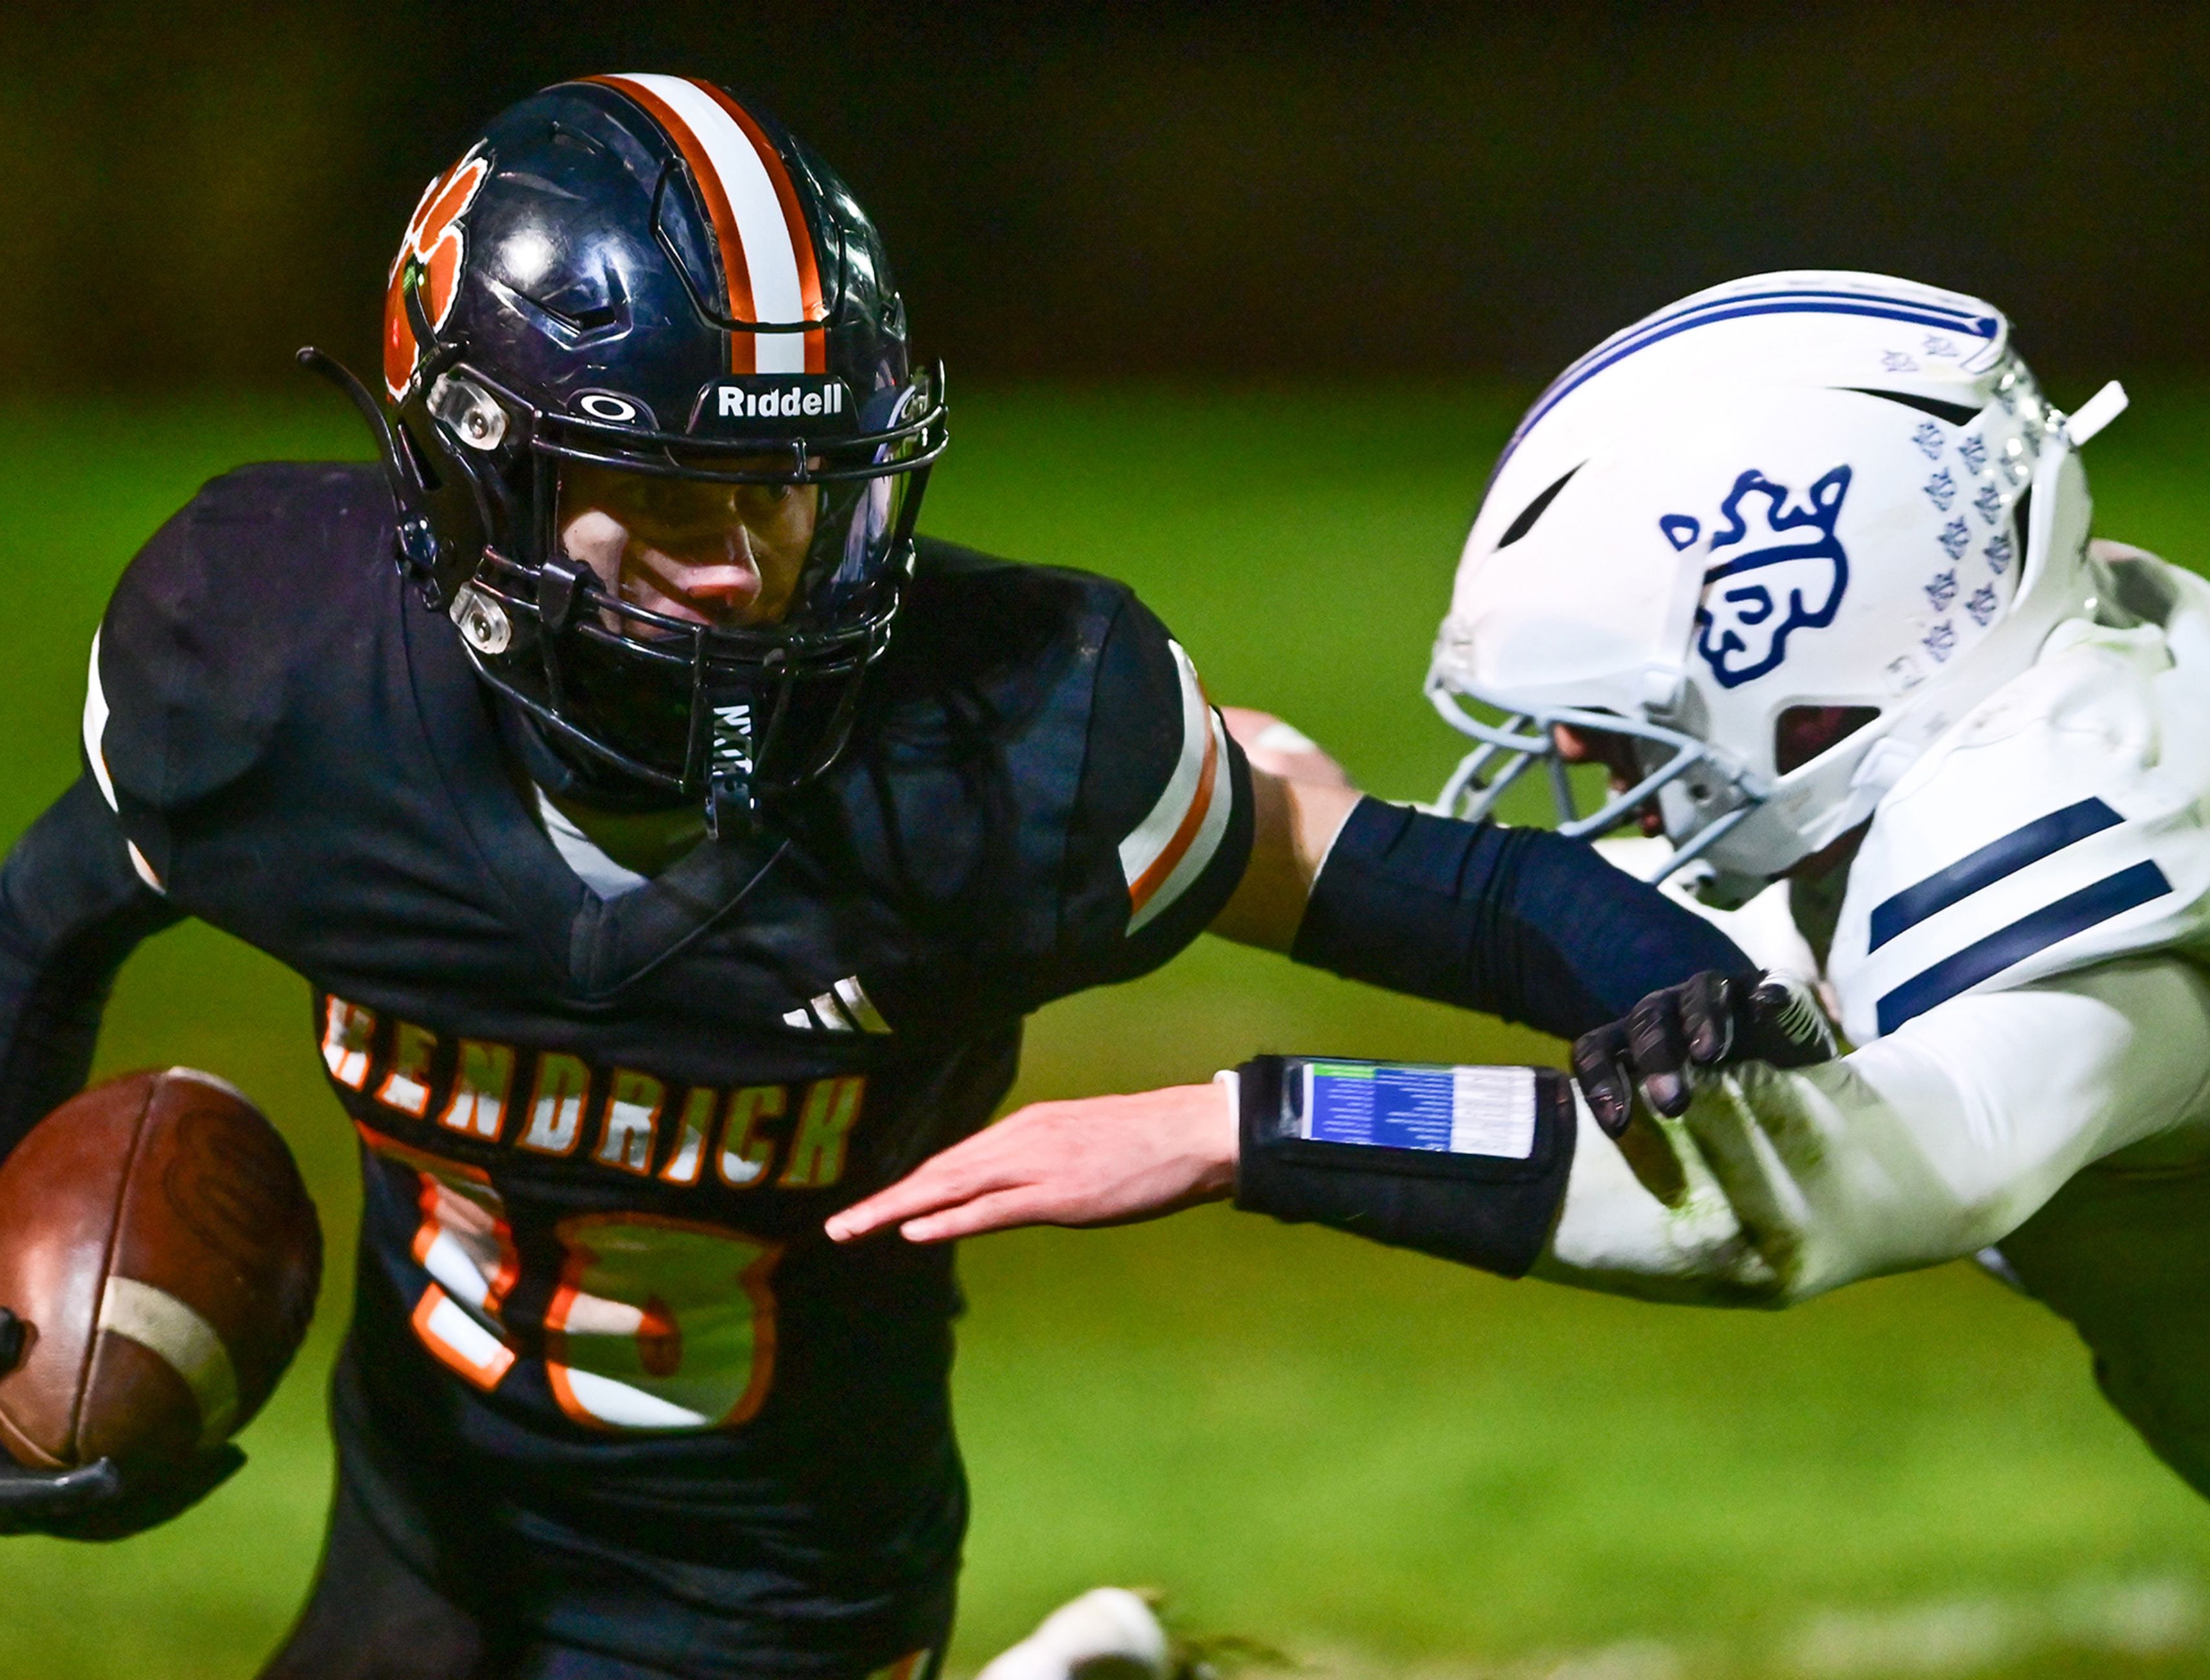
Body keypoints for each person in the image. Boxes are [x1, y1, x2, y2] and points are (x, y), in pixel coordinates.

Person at [0, 78, 1754, 1680]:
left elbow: (1400, 884)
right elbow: (43, 920)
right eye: (674, 499)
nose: (750, 567)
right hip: (426, 1530)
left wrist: (1659, 971)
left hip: (782, 1591)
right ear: (473, 480)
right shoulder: (277, 677)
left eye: (796, 490)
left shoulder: (1007, 737)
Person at [831, 271, 2210, 1498]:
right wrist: (1307, 819)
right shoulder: (2017, 713)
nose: (1567, 748)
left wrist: (1247, 1126)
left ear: (1828, 618)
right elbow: (1769, 955)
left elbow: (1848, 1176)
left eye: (1616, 707)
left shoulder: (2079, 811)